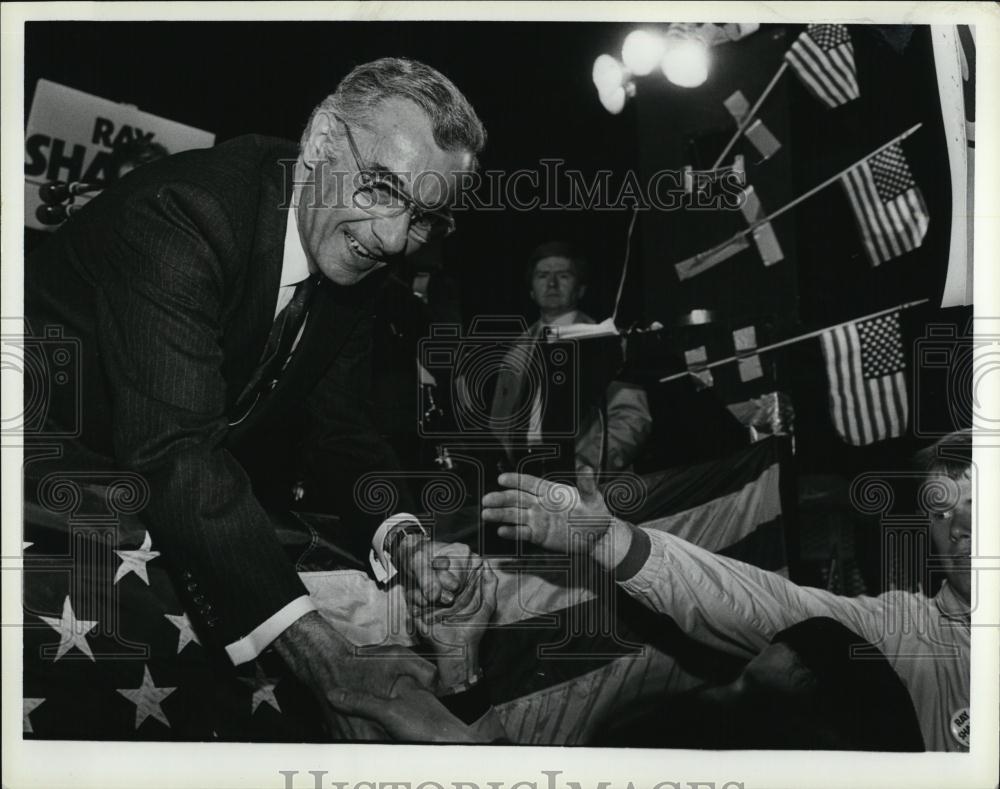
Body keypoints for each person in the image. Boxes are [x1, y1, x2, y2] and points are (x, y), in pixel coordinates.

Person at [24, 57, 487, 735]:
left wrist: (407, 541)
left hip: (136, 493)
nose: (393, 238)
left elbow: (340, 432)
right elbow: (177, 450)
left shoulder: (353, 244)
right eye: (382, 188)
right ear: (322, 141)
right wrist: (327, 660)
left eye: (424, 217)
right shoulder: (186, 211)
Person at [481, 429, 974, 751]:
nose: (959, 527)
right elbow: (757, 602)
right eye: (941, 511)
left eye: (980, 501)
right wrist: (610, 542)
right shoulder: (905, 635)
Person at [489, 241, 652, 475]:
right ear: (531, 291)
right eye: (543, 275)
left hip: (584, 477)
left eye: (563, 275)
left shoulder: (608, 343)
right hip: (524, 475)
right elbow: (499, 420)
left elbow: (632, 419)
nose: (552, 283)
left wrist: (584, 468)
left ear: (581, 289)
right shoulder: (517, 350)